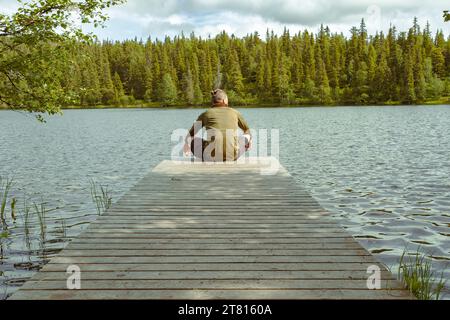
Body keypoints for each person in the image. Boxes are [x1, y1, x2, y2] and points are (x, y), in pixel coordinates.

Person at [183, 89, 252, 162]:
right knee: (246, 136)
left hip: (210, 157)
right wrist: (249, 141)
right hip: (233, 156)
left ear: (212, 102)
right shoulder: (235, 112)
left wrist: (187, 143)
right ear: (224, 101)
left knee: (193, 141)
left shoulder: (206, 114)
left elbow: (191, 134)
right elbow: (247, 130)